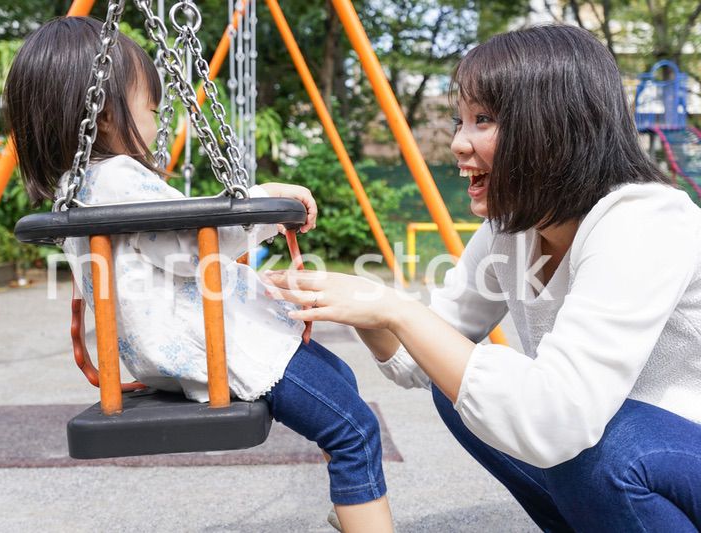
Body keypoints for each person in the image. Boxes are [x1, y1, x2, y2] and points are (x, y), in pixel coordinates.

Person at [264, 24, 701, 531]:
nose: (457, 143)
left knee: (600, 448)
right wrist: (363, 306)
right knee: (463, 390)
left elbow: (557, 420)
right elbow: (419, 359)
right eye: (460, 121)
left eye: (484, 120)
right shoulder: (512, 230)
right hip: (614, 445)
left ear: (556, 125)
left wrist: (396, 308)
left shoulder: (642, 222)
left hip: (674, 446)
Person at [3, 17, 393, 532]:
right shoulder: (117, 176)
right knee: (356, 430)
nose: (157, 115)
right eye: (149, 106)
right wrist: (262, 207)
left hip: (172, 352)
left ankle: (352, 506)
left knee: (339, 383)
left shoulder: (79, 184)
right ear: (102, 112)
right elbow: (191, 248)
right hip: (218, 348)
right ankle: (366, 520)